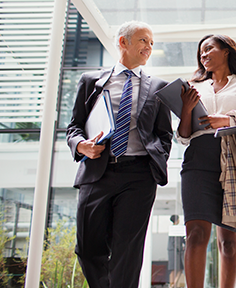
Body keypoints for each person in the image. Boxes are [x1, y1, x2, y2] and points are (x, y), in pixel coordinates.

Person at [66, 21, 196, 288]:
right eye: (143, 40)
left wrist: (157, 157)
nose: (148, 47)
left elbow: (164, 134)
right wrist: (82, 146)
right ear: (122, 42)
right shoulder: (91, 81)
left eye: (151, 43)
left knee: (128, 251)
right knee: (87, 247)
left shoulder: (158, 87)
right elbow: (74, 127)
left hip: (139, 175)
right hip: (97, 172)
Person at [177, 34, 236, 288]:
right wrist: (186, 108)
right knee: (195, 235)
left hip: (233, 161)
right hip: (197, 162)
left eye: (208, 49)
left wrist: (227, 120)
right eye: (200, 53)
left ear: (226, 51)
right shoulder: (194, 86)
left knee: (228, 241)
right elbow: (183, 136)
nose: (203, 55)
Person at [168, 215, 185, 288]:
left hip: (176, 250)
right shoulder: (174, 229)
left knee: (178, 268)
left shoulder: (175, 229)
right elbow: (176, 241)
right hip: (175, 251)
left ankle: (173, 284)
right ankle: (172, 284)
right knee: (176, 268)